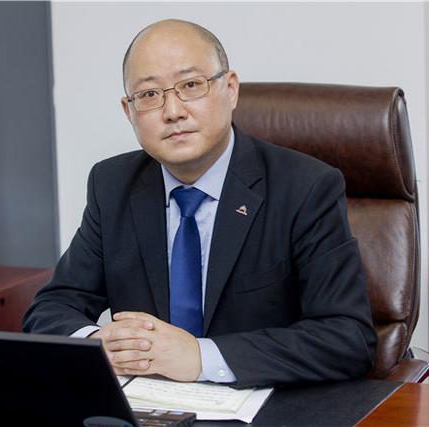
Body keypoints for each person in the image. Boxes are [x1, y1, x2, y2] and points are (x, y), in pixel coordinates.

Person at [23, 19, 377, 389]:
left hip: (263, 405)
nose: (173, 111)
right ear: (129, 111)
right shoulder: (111, 185)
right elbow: (51, 308)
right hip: (148, 406)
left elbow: (347, 338)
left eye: (191, 85)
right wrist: (97, 345)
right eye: (149, 94)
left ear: (231, 89)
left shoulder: (305, 187)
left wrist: (200, 357)